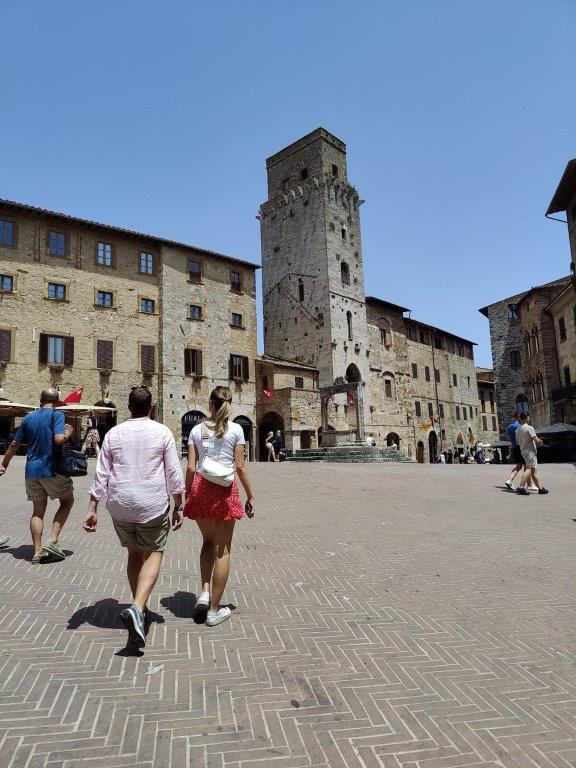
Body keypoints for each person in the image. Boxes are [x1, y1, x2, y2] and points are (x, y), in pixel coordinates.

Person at [83, 387, 185, 648]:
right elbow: (173, 472)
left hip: (120, 504)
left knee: (133, 554)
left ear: (129, 407)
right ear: (151, 407)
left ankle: (140, 609)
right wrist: (179, 505)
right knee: (154, 551)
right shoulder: (162, 432)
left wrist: (92, 508)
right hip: (151, 504)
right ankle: (138, 607)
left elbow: (102, 473)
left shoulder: (113, 433)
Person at [184, 386, 254, 627]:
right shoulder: (236, 429)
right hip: (224, 490)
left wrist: (187, 494)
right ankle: (214, 610)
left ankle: (204, 592)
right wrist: (250, 496)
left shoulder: (196, 430)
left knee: (207, 542)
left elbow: (191, 468)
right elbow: (241, 467)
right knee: (222, 550)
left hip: (201, 487)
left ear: (210, 404)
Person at [0, 388, 74, 563]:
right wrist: (67, 434)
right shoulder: (57, 415)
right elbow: (58, 439)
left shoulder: (28, 417)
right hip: (51, 469)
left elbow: (14, 444)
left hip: (31, 471)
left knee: (38, 511)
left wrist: (4, 464)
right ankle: (53, 539)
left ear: (40, 399)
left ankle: (37, 552)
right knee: (67, 501)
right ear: (57, 402)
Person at [515, 413, 549, 496]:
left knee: (533, 471)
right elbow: (536, 439)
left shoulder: (517, 430)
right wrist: (541, 441)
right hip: (530, 451)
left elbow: (517, 442)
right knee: (529, 469)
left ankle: (540, 488)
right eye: (529, 417)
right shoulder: (529, 428)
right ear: (527, 418)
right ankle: (521, 487)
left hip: (523, 451)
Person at [504, 415, 523, 490]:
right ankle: (528, 484)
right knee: (527, 467)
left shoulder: (509, 427)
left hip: (513, 447)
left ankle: (509, 480)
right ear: (518, 418)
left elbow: (509, 437)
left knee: (519, 466)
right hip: (520, 447)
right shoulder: (519, 426)